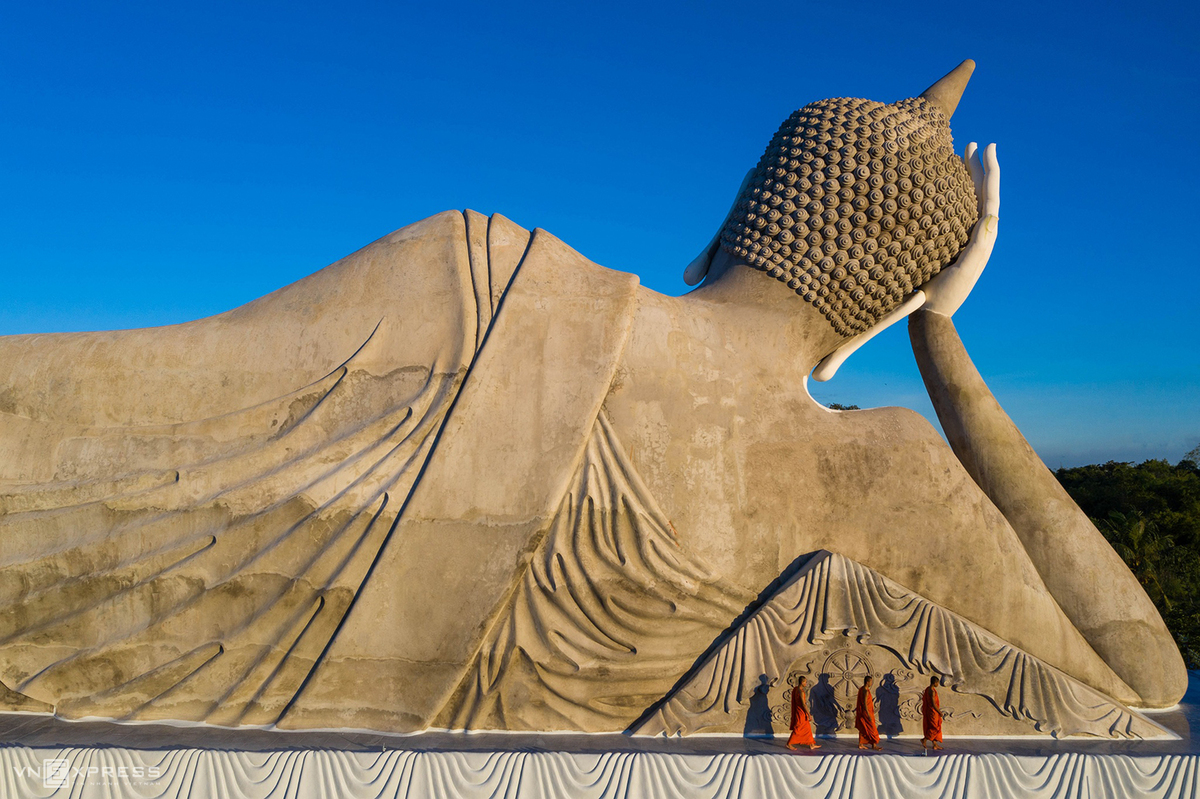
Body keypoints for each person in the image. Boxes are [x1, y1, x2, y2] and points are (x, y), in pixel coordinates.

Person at [786, 675, 820, 750]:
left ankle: (811, 744)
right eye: (805, 682)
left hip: (799, 711)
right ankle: (789, 743)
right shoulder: (801, 692)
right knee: (798, 728)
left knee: (807, 728)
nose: (806, 683)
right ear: (802, 682)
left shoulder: (795, 689)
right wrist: (808, 713)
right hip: (801, 712)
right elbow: (803, 704)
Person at [855, 677, 881, 750]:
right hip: (867, 712)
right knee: (872, 729)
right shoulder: (865, 691)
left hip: (863, 712)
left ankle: (861, 744)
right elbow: (865, 704)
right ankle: (874, 745)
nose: (871, 683)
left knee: (863, 727)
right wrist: (868, 714)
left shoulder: (861, 689)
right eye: (871, 682)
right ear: (867, 682)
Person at [922, 676, 944, 750]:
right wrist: (939, 712)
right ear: (935, 682)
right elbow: (934, 704)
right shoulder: (932, 691)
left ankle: (935, 744)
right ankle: (924, 739)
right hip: (933, 712)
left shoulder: (927, 689)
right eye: (937, 683)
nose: (938, 684)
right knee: (935, 728)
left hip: (929, 711)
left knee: (933, 726)